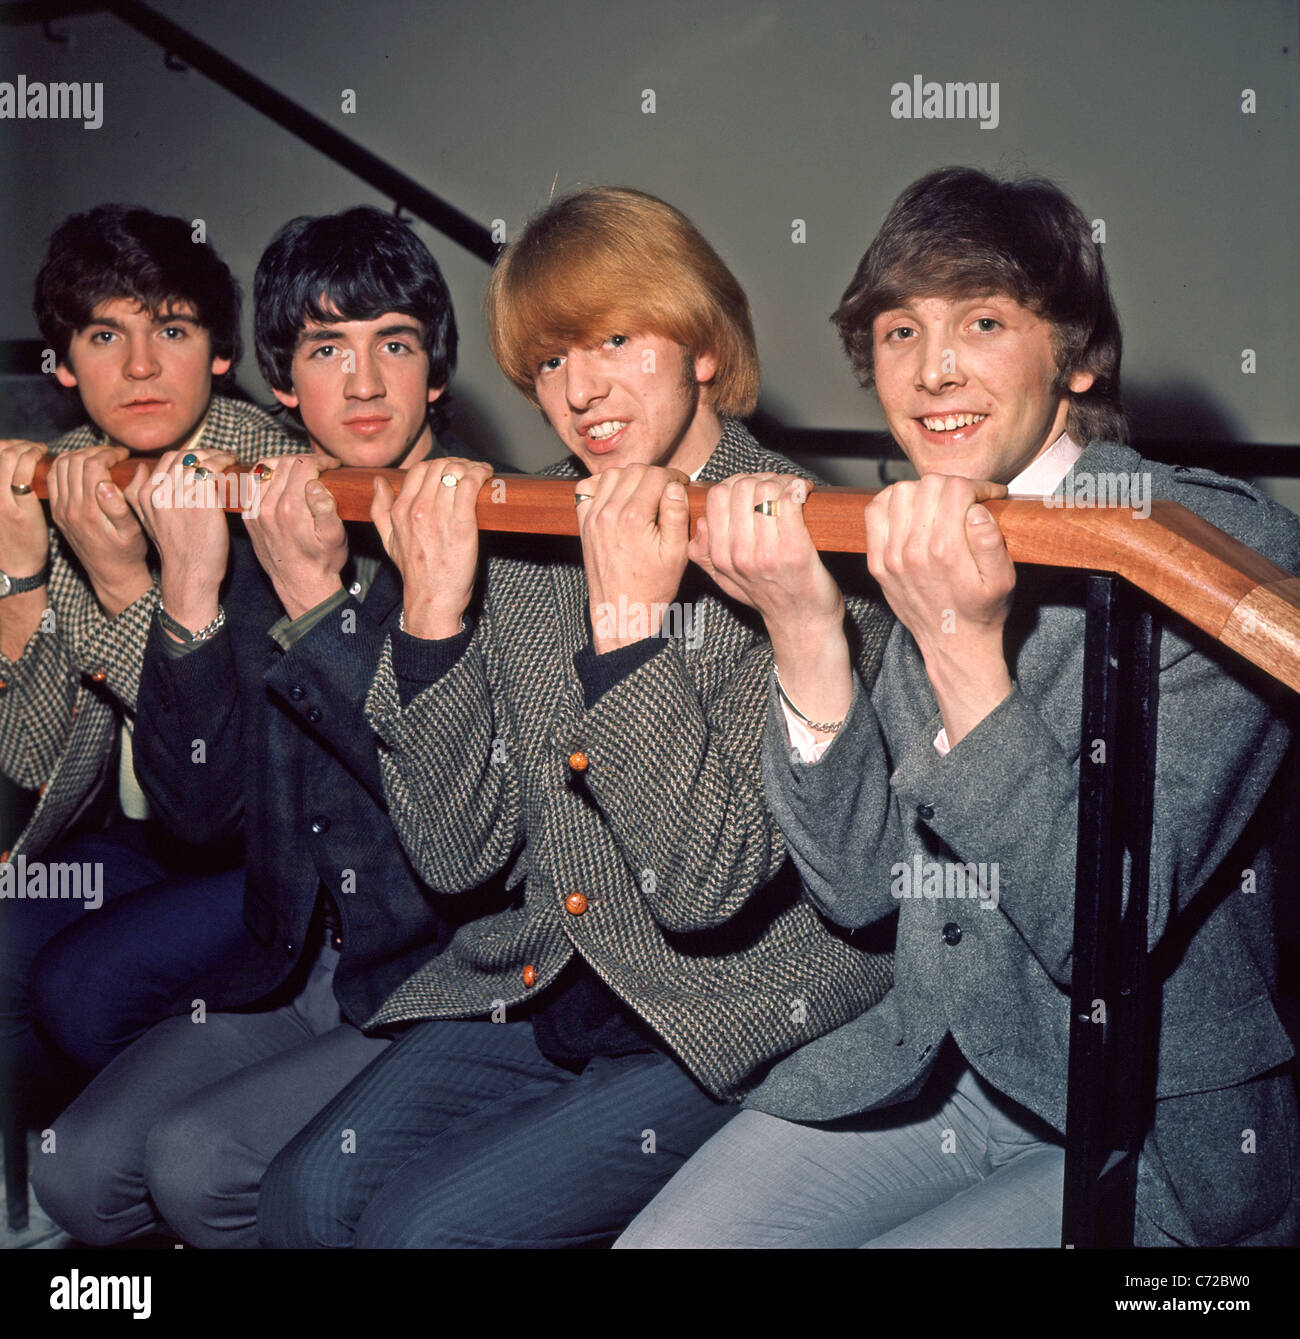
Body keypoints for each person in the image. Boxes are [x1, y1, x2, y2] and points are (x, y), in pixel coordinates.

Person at [616, 166, 1300, 1249]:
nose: (932, 370)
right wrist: (802, 630)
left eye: (981, 321)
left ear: (1072, 355)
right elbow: (855, 892)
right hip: (941, 1070)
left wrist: (959, 647)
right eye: (898, 331)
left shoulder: (1221, 551)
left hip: (1145, 1123)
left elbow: (1103, 931)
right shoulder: (922, 524)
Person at [257, 186, 896, 1249]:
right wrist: (431, 610)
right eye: (550, 361)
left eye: (613, 338)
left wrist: (627, 626)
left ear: (700, 345)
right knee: (305, 1195)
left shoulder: (810, 541)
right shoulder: (535, 516)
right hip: (552, 965)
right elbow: (458, 855)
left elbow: (704, 890)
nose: (580, 389)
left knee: (422, 1229)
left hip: (731, 1010)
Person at [31, 206, 474, 1247]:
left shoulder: (492, 527)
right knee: (78, 1170)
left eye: (393, 345)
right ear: (281, 384)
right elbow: (196, 809)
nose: (363, 386)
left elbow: (456, 833)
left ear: (436, 372)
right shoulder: (261, 512)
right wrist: (185, 588)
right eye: (328, 349)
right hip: (298, 951)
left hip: (439, 971)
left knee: (200, 1165)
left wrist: (319, 605)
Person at [0, 205, 297, 1120]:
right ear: (63, 364)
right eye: (104, 335)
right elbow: (26, 760)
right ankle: (44, 1191)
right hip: (133, 838)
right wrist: (17, 573)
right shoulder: (69, 469)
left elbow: (230, 787)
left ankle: (151, 1154)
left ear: (217, 351)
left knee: (82, 992)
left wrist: (124, 583)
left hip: (260, 850)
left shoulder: (277, 481)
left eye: (170, 329)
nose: (137, 367)